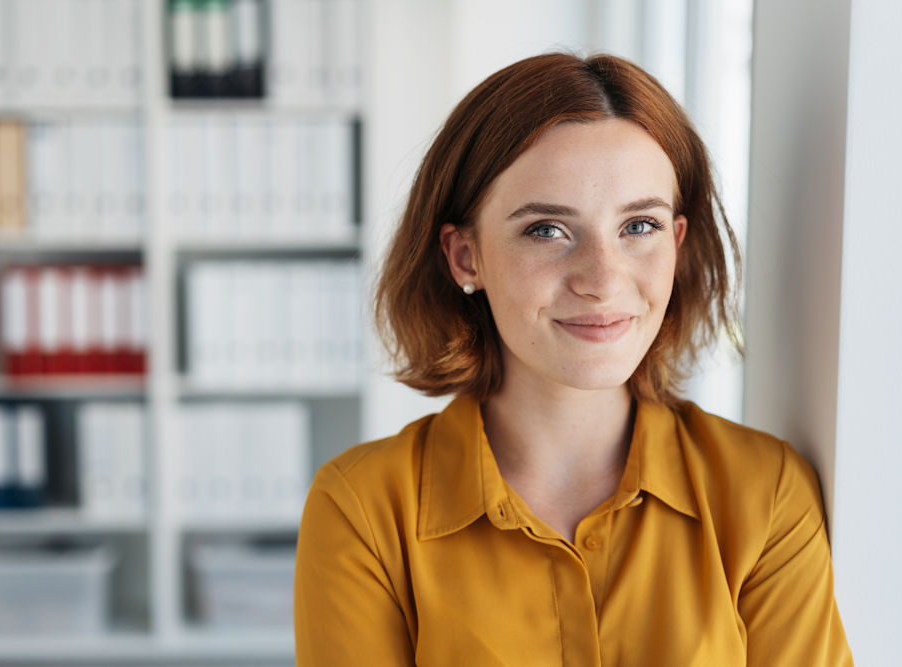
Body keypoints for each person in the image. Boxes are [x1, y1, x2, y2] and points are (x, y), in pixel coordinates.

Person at [294, 52, 852, 666]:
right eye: (547, 230)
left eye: (639, 225)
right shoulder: (362, 510)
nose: (602, 280)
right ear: (465, 257)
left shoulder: (764, 493)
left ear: (678, 243)